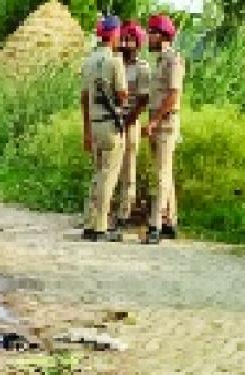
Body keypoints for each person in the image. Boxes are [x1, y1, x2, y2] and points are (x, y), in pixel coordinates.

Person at [80, 16, 128, 242]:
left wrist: (86, 131)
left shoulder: (88, 61)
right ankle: (101, 227)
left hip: (95, 124)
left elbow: (84, 98)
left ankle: (90, 223)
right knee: (108, 176)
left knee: (97, 175)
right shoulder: (115, 62)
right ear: (113, 34)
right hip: (110, 124)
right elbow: (122, 94)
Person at [143, 14, 184, 244]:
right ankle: (170, 221)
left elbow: (173, 94)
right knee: (164, 173)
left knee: (161, 176)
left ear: (163, 35)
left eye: (152, 33)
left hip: (165, 123)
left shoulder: (173, 60)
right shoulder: (160, 61)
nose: (149, 37)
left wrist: (155, 121)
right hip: (157, 121)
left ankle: (154, 226)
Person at [116, 21, 150, 230]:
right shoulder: (115, 63)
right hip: (113, 121)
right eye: (124, 39)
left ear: (137, 44)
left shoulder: (142, 68)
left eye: (130, 40)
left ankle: (123, 214)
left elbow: (143, 99)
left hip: (130, 122)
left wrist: (129, 120)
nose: (126, 44)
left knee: (128, 170)